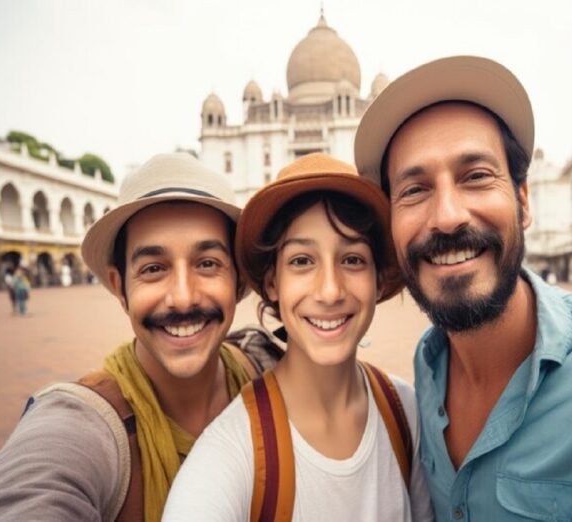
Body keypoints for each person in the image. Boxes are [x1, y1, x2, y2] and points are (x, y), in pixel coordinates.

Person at [354, 56, 572, 520]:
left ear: (523, 201)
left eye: (475, 176)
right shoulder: (428, 368)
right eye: (414, 190)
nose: (448, 215)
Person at [0, 153, 277, 521]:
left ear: (238, 280)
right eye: (153, 269)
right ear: (120, 287)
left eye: (207, 263)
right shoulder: (84, 428)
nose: (182, 297)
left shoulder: (266, 372)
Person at [164, 153, 433, 521]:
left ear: (378, 278)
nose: (329, 291)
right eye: (302, 261)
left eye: (352, 259)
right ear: (273, 283)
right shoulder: (230, 458)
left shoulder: (405, 413)